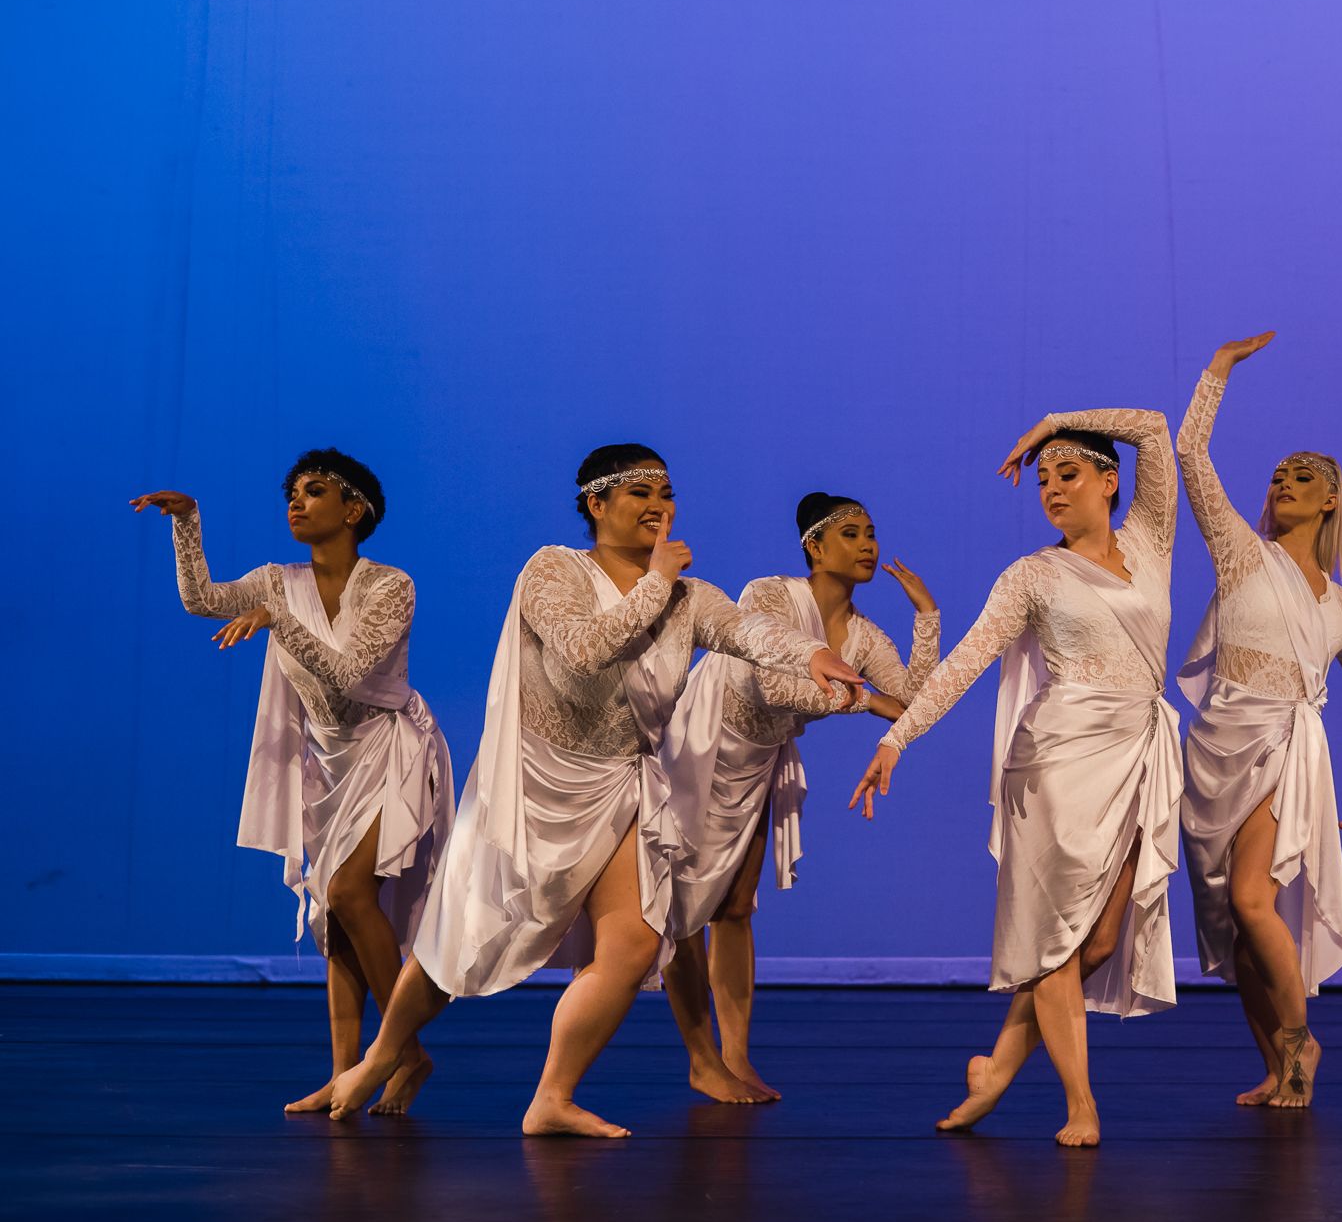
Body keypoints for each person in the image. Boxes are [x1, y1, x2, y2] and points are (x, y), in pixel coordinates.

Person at [325, 444, 865, 1135]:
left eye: (665, 490)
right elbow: (583, 650)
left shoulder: (687, 599)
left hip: (620, 785)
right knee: (460, 941)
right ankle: (381, 1054)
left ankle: (552, 1096)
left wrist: (812, 651)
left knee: (635, 945)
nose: (657, 503)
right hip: (536, 787)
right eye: (638, 490)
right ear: (596, 504)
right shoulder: (554, 569)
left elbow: (746, 628)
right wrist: (655, 583)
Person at [850, 406, 1181, 1147]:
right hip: (1058, 766)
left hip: (1136, 756)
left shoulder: (1151, 542)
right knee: (1057, 943)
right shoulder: (1032, 574)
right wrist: (898, 737)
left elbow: (1156, 428)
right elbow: (965, 661)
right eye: (1043, 480)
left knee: (1094, 946)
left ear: (1109, 479)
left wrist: (1056, 420)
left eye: (1068, 474)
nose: (1053, 490)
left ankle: (996, 1069)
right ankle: (1081, 1105)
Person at [132, 451, 453, 1115]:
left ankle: (400, 1048)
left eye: (314, 491)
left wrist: (279, 623)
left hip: (391, 746)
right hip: (328, 760)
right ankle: (345, 1070)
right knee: (337, 914)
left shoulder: (392, 584)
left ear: (354, 507)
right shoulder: (278, 580)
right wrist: (187, 523)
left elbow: (353, 671)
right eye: (291, 494)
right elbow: (203, 600)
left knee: (348, 890)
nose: (296, 503)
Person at [1176, 334, 1342, 1108]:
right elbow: (1192, 455)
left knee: (1256, 899)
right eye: (1277, 476)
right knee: (1234, 920)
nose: (1284, 484)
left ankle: (1303, 1042)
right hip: (1218, 745)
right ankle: (1273, 1061)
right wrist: (1217, 372)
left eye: (1303, 477)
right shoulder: (1241, 553)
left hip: (1284, 746)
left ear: (1330, 497)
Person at [662, 492, 940, 1100]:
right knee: (681, 904)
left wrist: (927, 618)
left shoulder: (865, 637)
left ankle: (735, 1055)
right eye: (850, 534)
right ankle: (701, 1055)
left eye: (871, 532)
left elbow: (915, 705)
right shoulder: (769, 593)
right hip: (705, 740)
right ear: (813, 547)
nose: (868, 544)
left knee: (736, 907)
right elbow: (769, 680)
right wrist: (865, 701)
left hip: (761, 758)